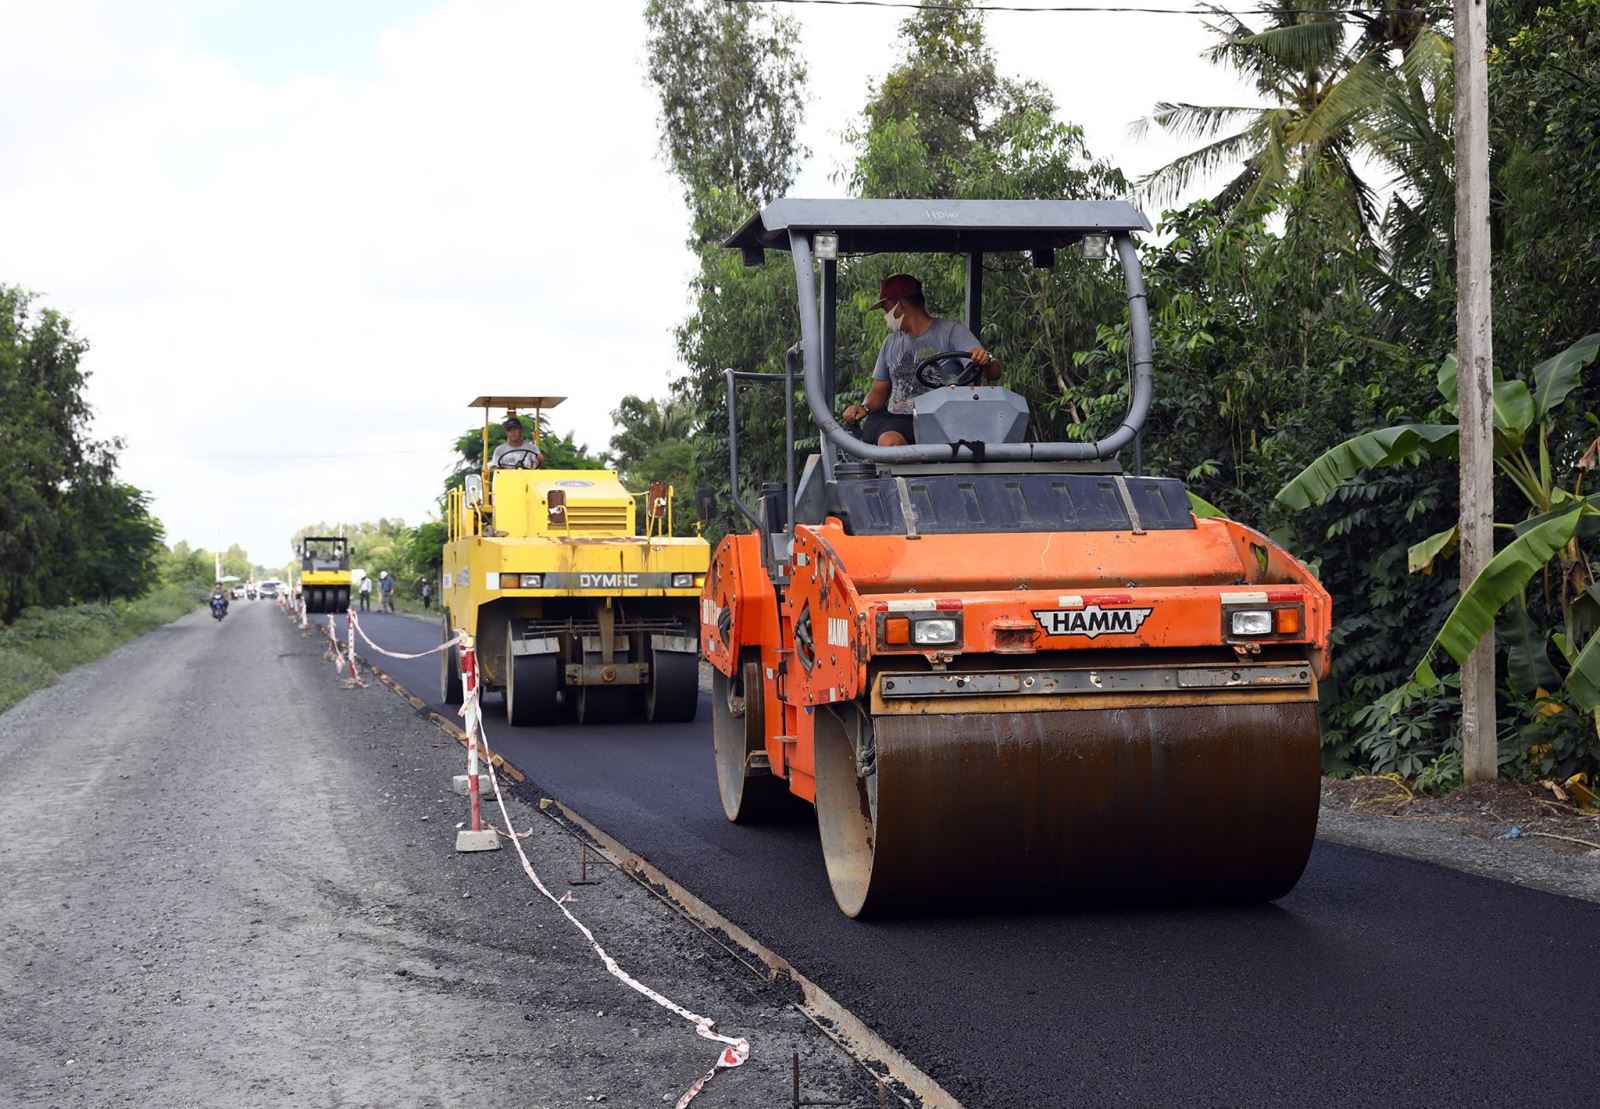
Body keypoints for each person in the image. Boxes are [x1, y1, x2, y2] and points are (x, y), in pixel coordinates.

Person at [841, 274, 999, 446]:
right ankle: (900, 469)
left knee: (891, 440)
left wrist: (986, 360)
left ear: (901, 305)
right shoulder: (890, 343)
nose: (886, 316)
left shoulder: (951, 332)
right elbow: (879, 390)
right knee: (887, 440)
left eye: (886, 310)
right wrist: (864, 408)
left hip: (943, 418)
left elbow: (993, 372)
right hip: (901, 419)